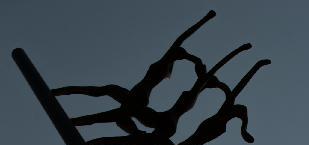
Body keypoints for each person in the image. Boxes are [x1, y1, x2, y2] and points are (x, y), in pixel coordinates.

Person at [85, 43, 252, 145]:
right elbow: (222, 87)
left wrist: (235, 57)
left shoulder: (191, 98)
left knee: (137, 142)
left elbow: (220, 85)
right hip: (167, 128)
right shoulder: (195, 99)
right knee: (140, 144)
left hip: (167, 125)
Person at [52, 11, 217, 134]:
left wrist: (205, 19)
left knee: (108, 98)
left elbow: (182, 37)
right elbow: (182, 40)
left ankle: (69, 110)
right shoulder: (167, 67)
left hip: (138, 95)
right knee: (117, 114)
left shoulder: (164, 64)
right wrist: (204, 22)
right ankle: (73, 114)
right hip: (138, 96)